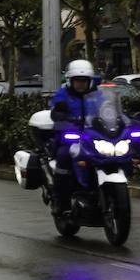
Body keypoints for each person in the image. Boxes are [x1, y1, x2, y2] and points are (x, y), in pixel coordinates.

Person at [49, 59, 97, 212]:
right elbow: (56, 111)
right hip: (70, 137)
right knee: (64, 156)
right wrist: (60, 114)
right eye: (78, 81)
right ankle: (60, 200)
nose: (81, 84)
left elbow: (108, 109)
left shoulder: (98, 94)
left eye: (84, 81)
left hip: (93, 137)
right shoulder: (63, 94)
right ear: (70, 81)